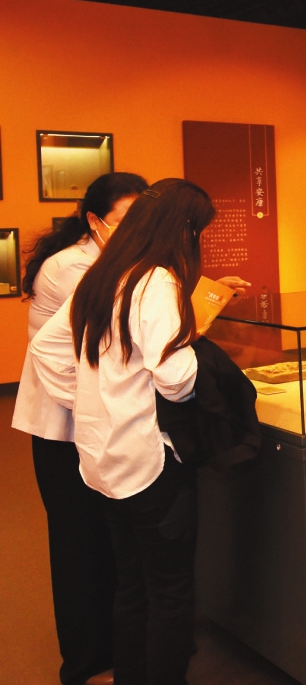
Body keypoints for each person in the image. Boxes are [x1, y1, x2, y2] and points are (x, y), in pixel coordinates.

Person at [29, 178, 217, 685]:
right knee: (170, 591)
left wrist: (90, 400)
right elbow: (174, 378)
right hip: (150, 460)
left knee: (132, 584)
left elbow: (46, 348)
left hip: (103, 458)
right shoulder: (156, 281)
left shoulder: (105, 273)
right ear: (181, 228)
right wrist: (195, 357)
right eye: (197, 231)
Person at [13, 172, 148, 685]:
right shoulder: (71, 267)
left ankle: (119, 646)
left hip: (99, 420)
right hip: (62, 426)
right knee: (78, 543)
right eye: (124, 220)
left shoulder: (118, 260)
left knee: (109, 539)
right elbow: (124, 325)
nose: (135, 230)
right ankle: (87, 662)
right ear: (94, 221)